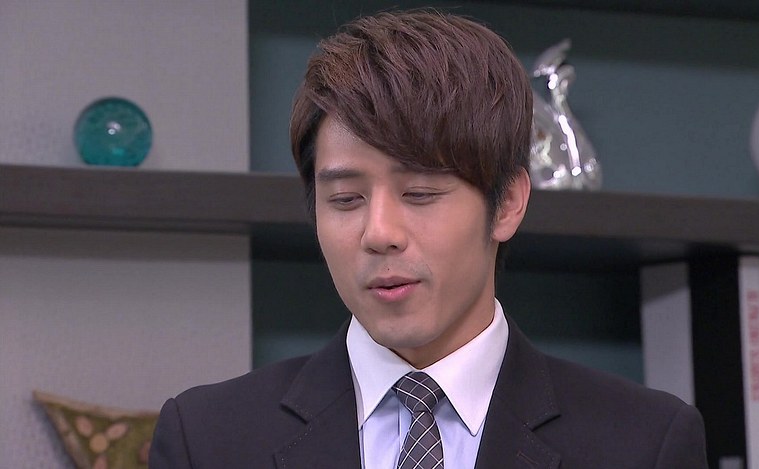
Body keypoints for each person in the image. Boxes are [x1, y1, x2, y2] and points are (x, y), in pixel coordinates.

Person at [149, 9, 708, 469]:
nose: (379, 234)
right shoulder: (207, 438)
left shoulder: (644, 442)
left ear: (507, 203)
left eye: (419, 194)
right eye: (346, 199)